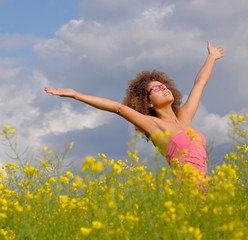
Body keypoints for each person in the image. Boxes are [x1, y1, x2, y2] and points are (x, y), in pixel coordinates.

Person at [44, 41, 225, 182]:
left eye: (164, 85)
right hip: (190, 194)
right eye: (156, 89)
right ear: (148, 103)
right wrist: (76, 95)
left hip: (207, 192)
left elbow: (199, 84)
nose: (164, 89)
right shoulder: (155, 126)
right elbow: (118, 108)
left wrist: (211, 58)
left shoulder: (185, 117)